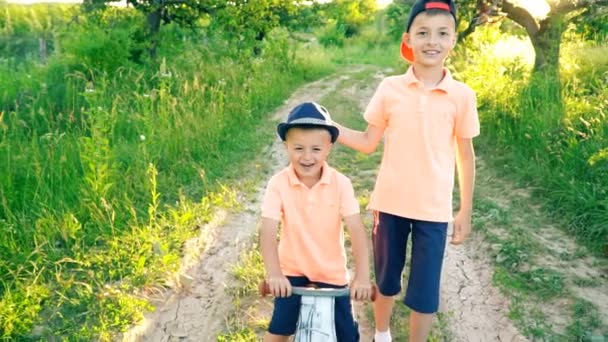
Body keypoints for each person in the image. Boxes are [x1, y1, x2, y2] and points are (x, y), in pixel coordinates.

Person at [333, 1, 480, 341]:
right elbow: (369, 141)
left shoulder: (462, 95)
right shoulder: (390, 88)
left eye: (443, 33)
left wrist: (465, 210)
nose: (433, 41)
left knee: (425, 294)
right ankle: (381, 333)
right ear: (408, 39)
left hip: (434, 211)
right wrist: (332, 129)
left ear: (454, 40)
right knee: (385, 282)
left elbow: (465, 154)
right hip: (390, 205)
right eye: (423, 33)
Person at [259, 101, 373, 342]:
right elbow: (268, 231)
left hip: (331, 273)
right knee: (279, 330)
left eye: (316, 149)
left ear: (329, 148)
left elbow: (356, 231)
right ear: (286, 146)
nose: (307, 157)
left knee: (347, 336)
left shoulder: (341, 184)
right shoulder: (278, 184)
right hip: (291, 271)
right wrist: (275, 275)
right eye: (298, 148)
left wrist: (362, 276)